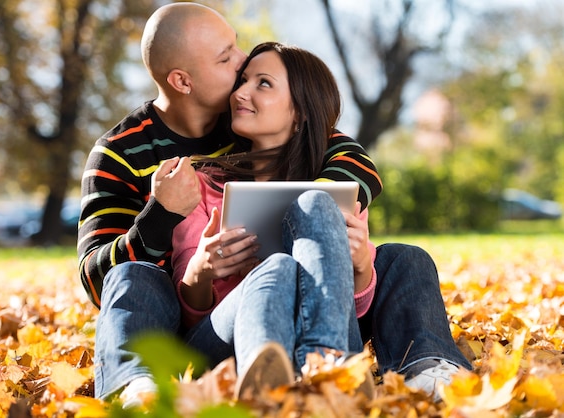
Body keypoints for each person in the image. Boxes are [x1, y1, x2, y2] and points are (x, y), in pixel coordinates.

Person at [77, 3, 382, 407]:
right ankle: (136, 388)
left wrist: (312, 209)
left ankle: (331, 365)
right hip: (183, 322)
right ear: (182, 81)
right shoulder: (119, 153)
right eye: (226, 57)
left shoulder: (249, 117)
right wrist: (160, 217)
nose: (243, 62)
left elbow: (354, 160)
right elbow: (99, 281)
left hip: (279, 293)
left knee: (393, 259)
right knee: (134, 275)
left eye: (235, 46)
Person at [171, 42, 472, 401]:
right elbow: (187, 316)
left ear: (300, 112)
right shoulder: (203, 183)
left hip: (322, 331)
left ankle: (426, 368)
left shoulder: (335, 189)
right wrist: (201, 271)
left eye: (262, 84)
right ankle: (330, 368)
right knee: (280, 267)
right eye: (244, 80)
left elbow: (351, 306)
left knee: (408, 256)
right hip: (228, 344)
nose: (241, 92)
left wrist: (360, 267)